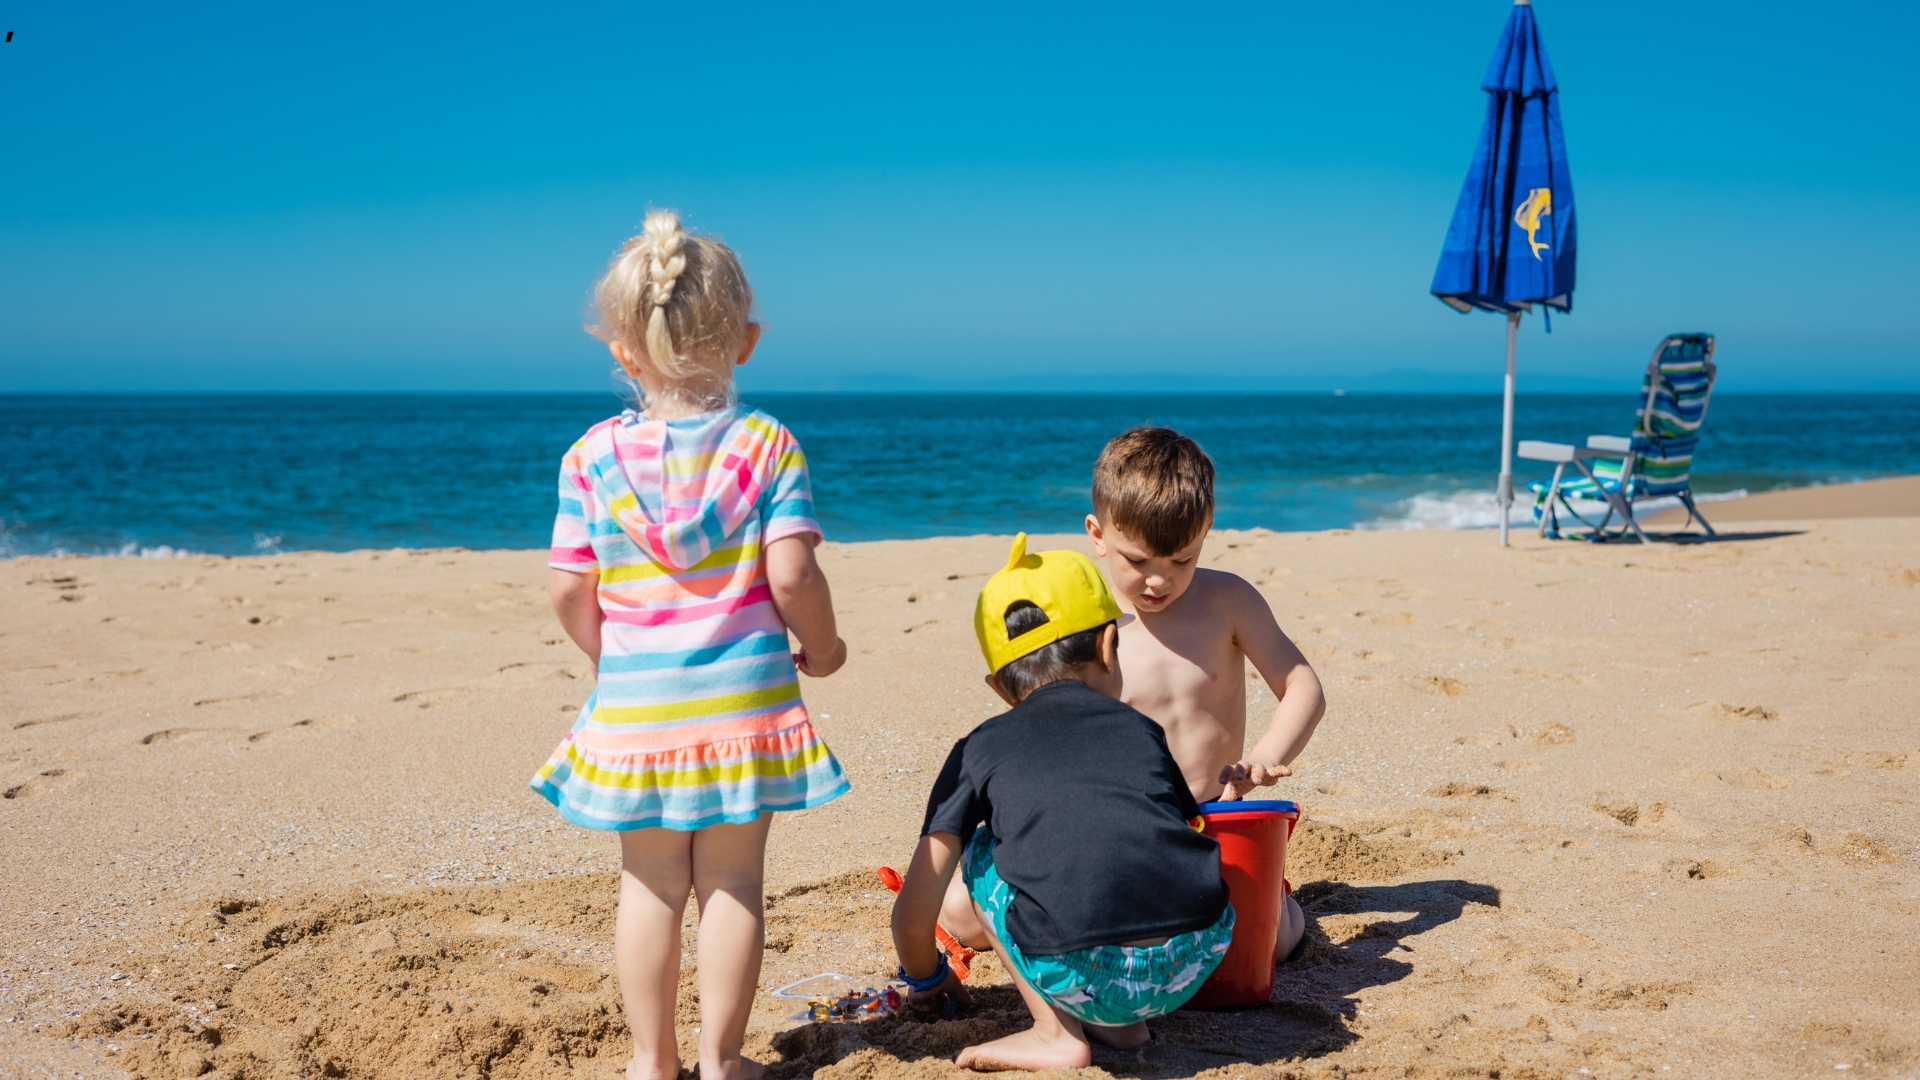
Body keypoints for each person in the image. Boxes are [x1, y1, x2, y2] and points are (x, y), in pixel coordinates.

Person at [533, 209, 851, 1080]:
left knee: (649, 885)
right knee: (733, 887)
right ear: (746, 341)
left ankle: (649, 1061)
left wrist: (611, 659)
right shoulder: (765, 446)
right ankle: (719, 1061)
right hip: (744, 711)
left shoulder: (590, 460)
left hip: (638, 709)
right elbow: (792, 578)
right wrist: (822, 649)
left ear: (622, 352)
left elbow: (568, 588)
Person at [891, 534, 1235, 1071]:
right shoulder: (1142, 730)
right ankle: (1123, 1029)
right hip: (1195, 958)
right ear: (1107, 645)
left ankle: (1055, 1034)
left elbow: (914, 914)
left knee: (982, 847)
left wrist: (927, 979)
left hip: (1085, 972)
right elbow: (1179, 824)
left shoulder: (977, 751)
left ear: (1000, 688)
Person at [1085, 426, 1327, 962]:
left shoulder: (1227, 601)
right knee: (967, 912)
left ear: (1206, 532)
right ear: (1097, 534)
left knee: (1271, 944)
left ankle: (1280, 902)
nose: (1158, 581)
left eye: (1181, 560)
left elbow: (1302, 686)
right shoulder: (1087, 618)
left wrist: (1267, 755)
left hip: (1211, 821)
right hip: (1119, 828)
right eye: (1139, 560)